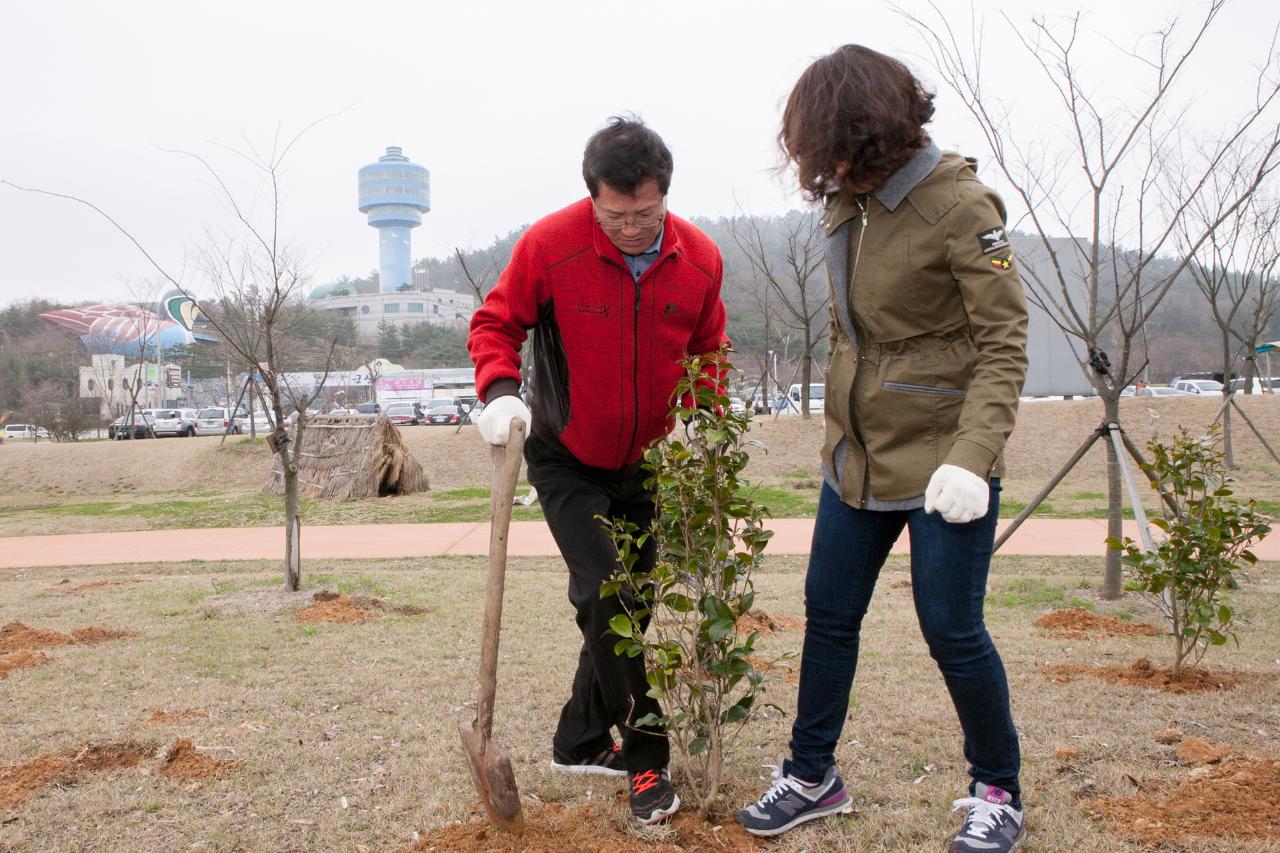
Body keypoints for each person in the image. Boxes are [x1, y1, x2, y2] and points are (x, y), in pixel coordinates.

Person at [736, 46, 1030, 853]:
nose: (824, 171)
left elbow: (1004, 342)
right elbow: (851, 332)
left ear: (876, 136)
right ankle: (811, 775)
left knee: (951, 626)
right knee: (829, 616)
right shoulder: (848, 204)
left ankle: (997, 790)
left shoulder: (963, 206)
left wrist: (973, 456)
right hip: (855, 460)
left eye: (835, 153)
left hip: (944, 461)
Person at [467, 116, 728, 826]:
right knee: (605, 591)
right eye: (616, 216)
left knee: (631, 606)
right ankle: (646, 762)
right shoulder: (551, 246)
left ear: (664, 196)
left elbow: (711, 347)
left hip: (646, 461)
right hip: (564, 454)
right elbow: (496, 324)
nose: (633, 228)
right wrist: (499, 392)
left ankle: (580, 737)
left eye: (646, 213)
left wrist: (706, 411)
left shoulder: (699, 258)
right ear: (593, 200)